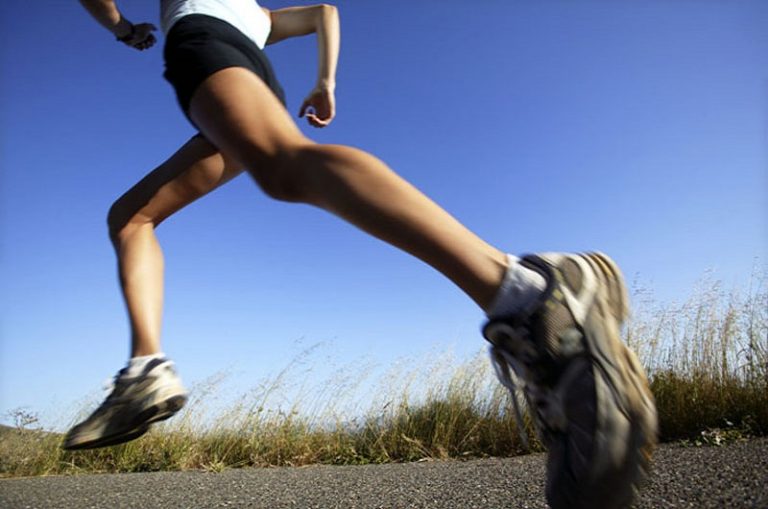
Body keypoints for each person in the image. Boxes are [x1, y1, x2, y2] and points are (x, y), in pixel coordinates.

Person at [67, 1, 657, 507]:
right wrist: (326, 81)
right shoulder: (259, 15)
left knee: (281, 166)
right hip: (250, 69)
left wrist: (122, 28)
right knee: (133, 216)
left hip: (202, 48)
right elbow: (324, 11)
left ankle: (530, 296)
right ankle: (146, 370)